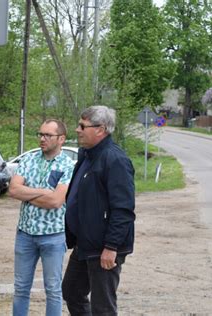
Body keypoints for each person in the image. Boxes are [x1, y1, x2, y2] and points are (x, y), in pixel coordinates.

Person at [62, 105, 135, 315]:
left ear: (101, 129)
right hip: (85, 243)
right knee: (72, 291)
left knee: (103, 307)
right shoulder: (87, 155)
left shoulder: (115, 160)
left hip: (104, 247)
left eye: (82, 126)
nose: (77, 130)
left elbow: (123, 209)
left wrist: (111, 246)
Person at [8, 119, 75, 316]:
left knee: (53, 289)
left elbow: (55, 201)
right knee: (20, 288)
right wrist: (43, 193)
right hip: (25, 234)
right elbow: (13, 189)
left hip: (53, 235)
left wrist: (27, 194)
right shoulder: (28, 160)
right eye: (40, 134)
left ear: (61, 139)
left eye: (48, 135)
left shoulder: (68, 164)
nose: (42, 139)